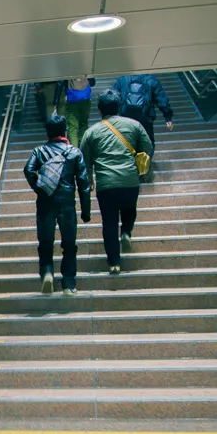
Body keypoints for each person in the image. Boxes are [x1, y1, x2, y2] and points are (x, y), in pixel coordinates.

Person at [81, 90, 154, 275]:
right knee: (130, 210)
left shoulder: (91, 132)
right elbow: (148, 147)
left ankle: (114, 263)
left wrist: (89, 181)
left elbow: (84, 160)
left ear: (99, 109)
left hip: (106, 185)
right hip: (130, 180)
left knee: (109, 222)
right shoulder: (134, 125)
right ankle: (127, 233)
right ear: (119, 106)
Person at [23, 115, 91, 295]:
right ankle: (68, 284)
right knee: (69, 244)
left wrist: (40, 188)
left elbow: (28, 170)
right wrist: (86, 210)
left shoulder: (39, 151)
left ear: (47, 132)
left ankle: (47, 273)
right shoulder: (74, 152)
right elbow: (84, 183)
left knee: (45, 243)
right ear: (64, 131)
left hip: (45, 202)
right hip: (67, 203)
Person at [111, 74, 173, 178]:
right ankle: (144, 168)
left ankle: (128, 169)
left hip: (126, 117)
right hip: (145, 117)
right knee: (148, 142)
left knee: (127, 142)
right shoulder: (151, 80)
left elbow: (112, 96)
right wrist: (167, 117)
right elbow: (161, 99)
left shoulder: (123, 79)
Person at [55, 76, 95, 148]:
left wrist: (56, 100)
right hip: (85, 99)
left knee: (72, 128)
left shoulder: (69, 68)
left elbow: (60, 83)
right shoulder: (86, 67)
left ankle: (75, 151)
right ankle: (83, 148)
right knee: (84, 124)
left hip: (72, 100)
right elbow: (92, 82)